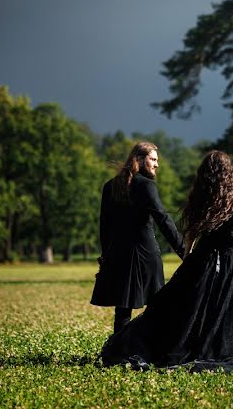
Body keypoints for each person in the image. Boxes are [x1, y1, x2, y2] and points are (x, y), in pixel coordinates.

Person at [99, 150, 233, 372]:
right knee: (231, 306)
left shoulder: (198, 197)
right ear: (228, 173)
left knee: (192, 305)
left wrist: (188, 256)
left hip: (203, 256)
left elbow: (191, 234)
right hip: (230, 257)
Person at [90, 141, 186, 333]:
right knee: (156, 305)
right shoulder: (145, 185)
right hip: (145, 254)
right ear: (140, 160)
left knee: (123, 309)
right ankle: (150, 351)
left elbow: (105, 227)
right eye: (153, 159)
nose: (156, 164)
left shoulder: (110, 186)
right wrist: (184, 250)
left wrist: (106, 255)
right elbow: (163, 219)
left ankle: (116, 352)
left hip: (119, 255)